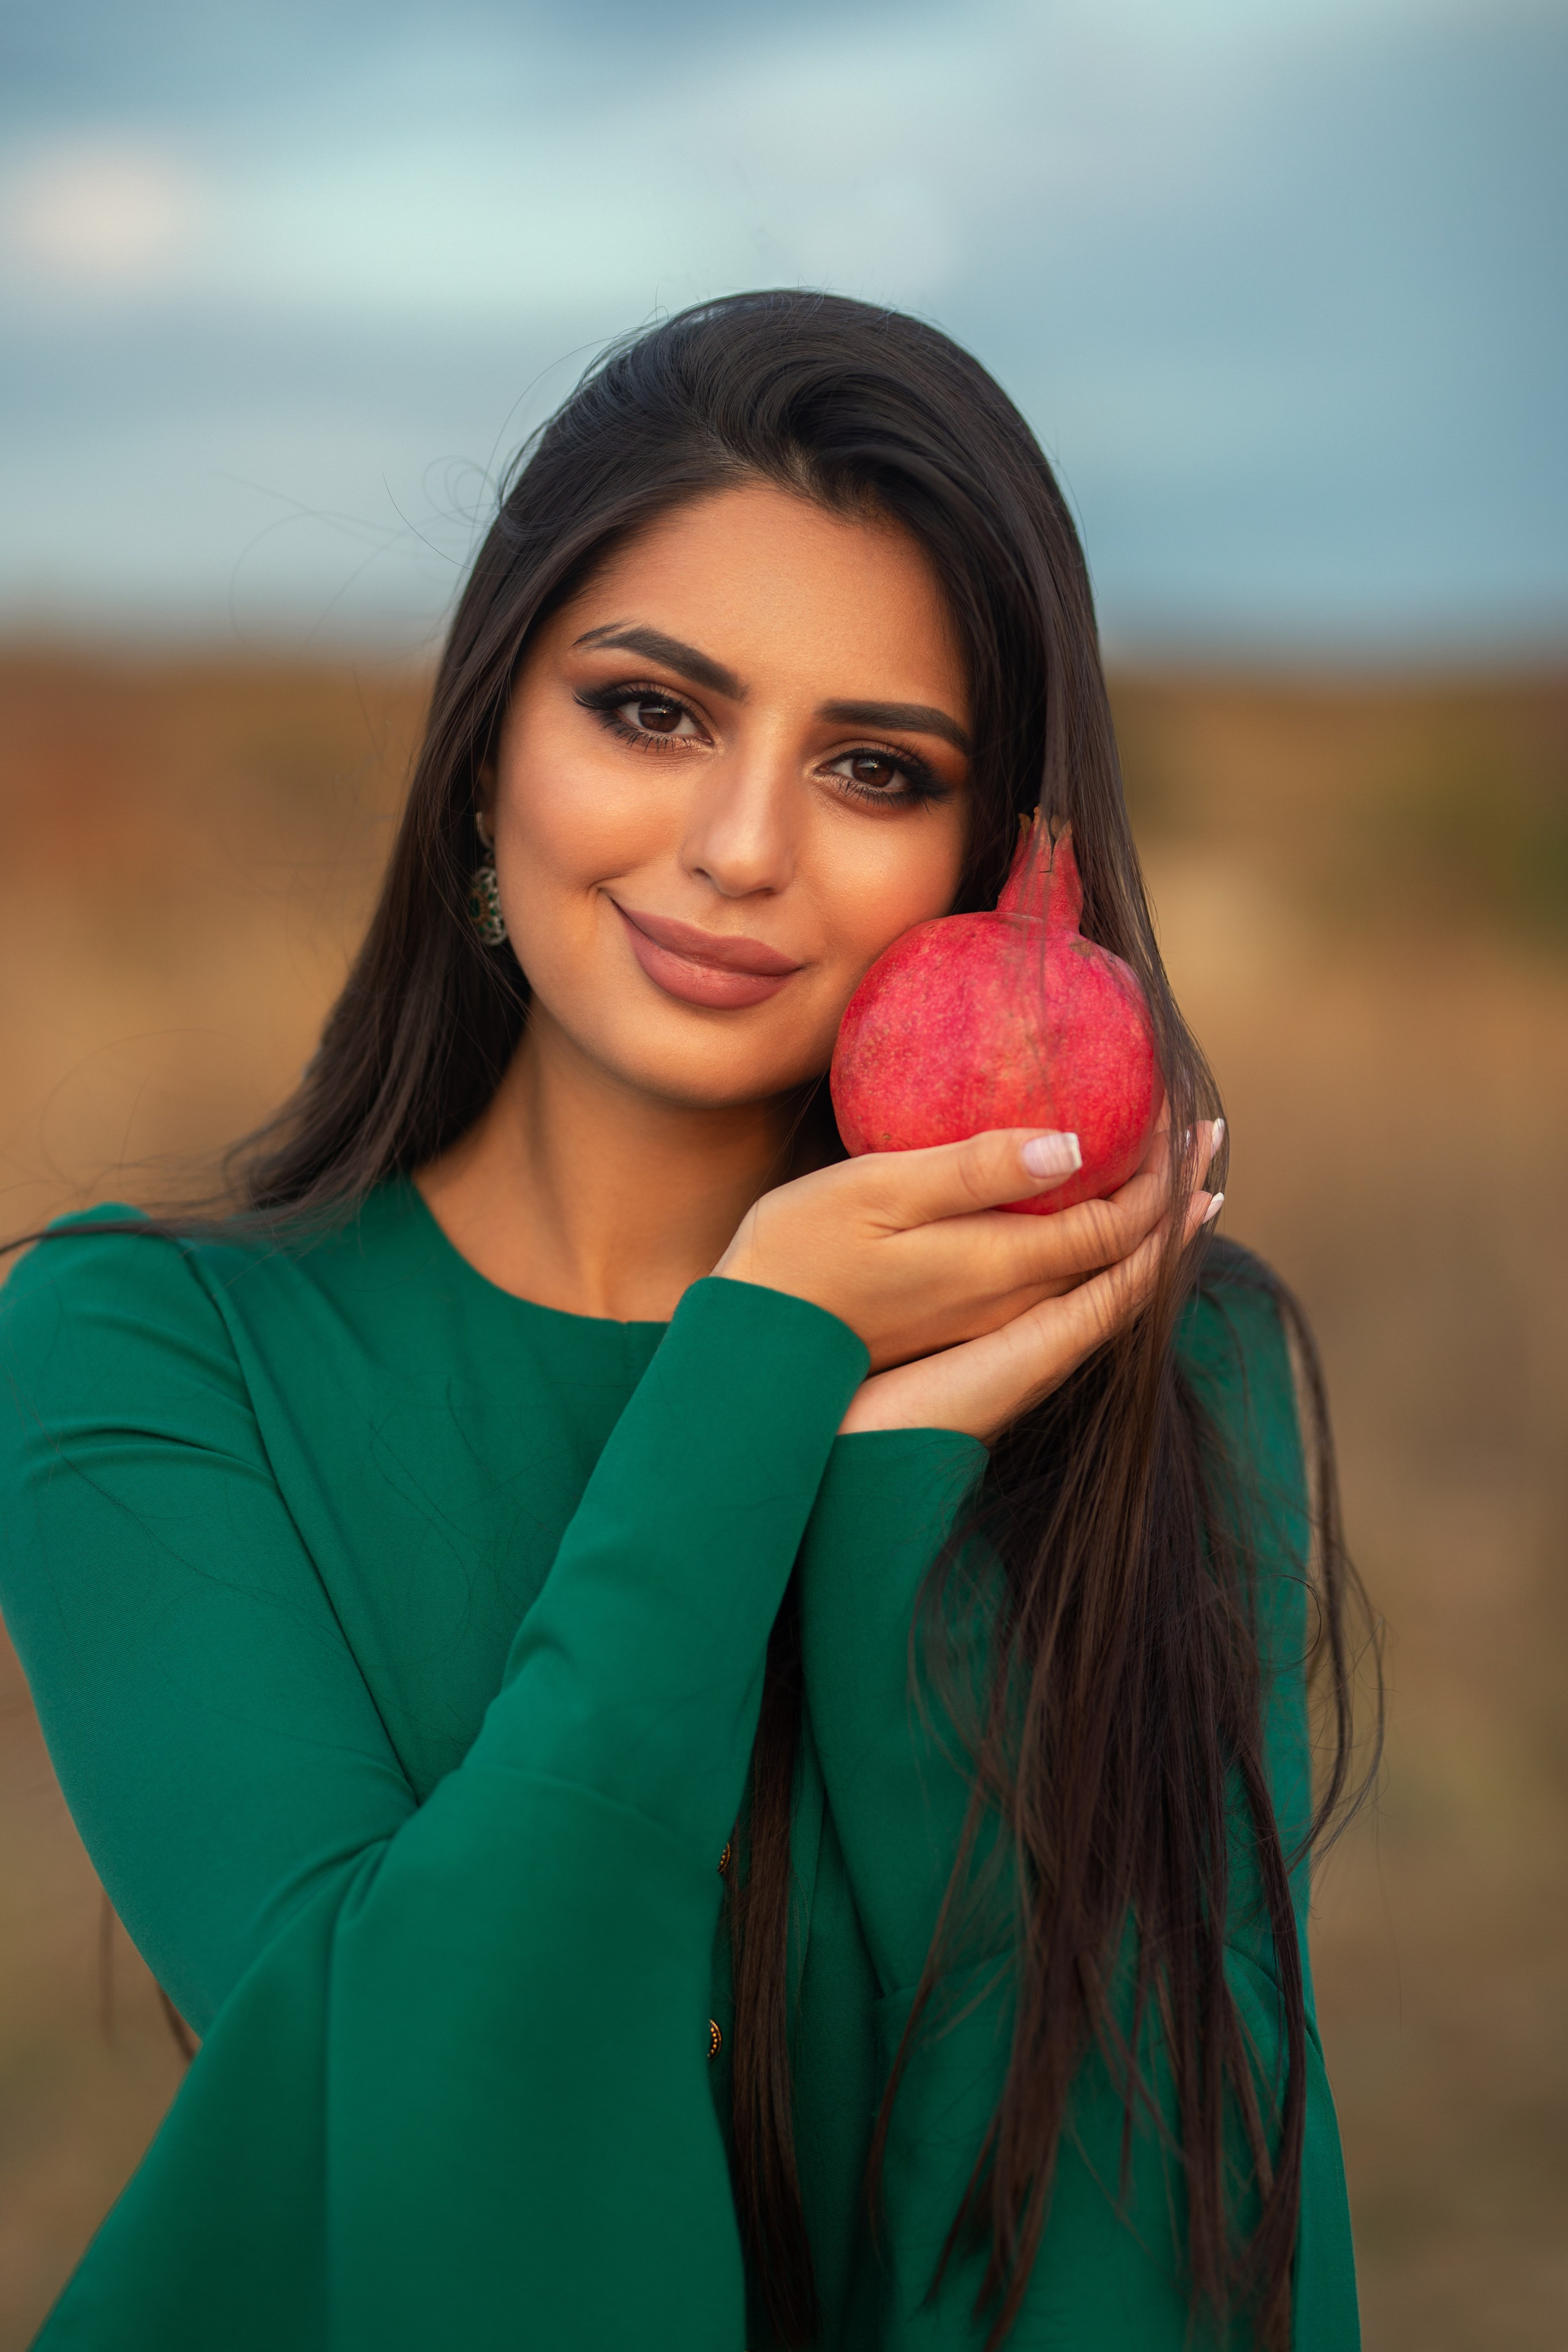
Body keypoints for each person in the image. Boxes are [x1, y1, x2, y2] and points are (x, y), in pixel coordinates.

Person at [0, 292, 1368, 2351]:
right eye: (652, 710)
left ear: (999, 868)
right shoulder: (142, 1361)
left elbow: (1145, 2265)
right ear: (485, 757)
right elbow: (431, 2160)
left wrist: (903, 1469)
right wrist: (756, 1380)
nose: (739, 849)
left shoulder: (1167, 1385)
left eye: (876, 766)